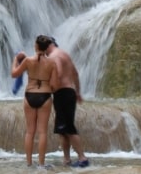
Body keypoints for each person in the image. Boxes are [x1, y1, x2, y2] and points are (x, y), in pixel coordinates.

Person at [10, 34, 57, 166]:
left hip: (30, 95)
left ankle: (29, 163)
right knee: (42, 132)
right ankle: (41, 164)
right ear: (47, 47)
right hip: (45, 96)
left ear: (36, 46)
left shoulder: (28, 61)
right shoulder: (52, 63)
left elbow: (14, 74)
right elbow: (54, 84)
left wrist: (15, 59)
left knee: (30, 131)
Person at [46, 37, 90, 168]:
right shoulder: (64, 54)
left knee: (69, 128)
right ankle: (67, 160)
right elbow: (75, 74)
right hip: (69, 92)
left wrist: (48, 89)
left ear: (49, 45)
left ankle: (82, 158)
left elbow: (58, 74)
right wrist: (77, 92)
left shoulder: (54, 56)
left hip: (62, 93)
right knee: (62, 129)